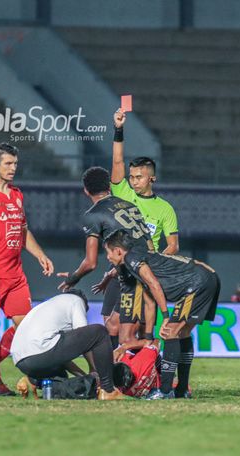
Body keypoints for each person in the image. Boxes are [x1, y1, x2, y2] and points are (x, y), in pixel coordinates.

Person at [0, 142, 54, 396]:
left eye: (15, 163)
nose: (12, 168)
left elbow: (23, 230)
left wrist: (40, 254)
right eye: (7, 163)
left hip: (15, 275)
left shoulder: (17, 195)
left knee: (26, 327)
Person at [92, 109, 180, 347]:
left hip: (142, 271)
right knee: (110, 323)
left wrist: (152, 261)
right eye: (131, 177)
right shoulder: (124, 193)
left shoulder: (165, 209)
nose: (133, 181)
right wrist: (118, 129)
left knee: (139, 330)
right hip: (120, 271)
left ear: (152, 178)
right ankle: (113, 377)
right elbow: (117, 161)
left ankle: (143, 374)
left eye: (139, 177)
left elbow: (173, 246)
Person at [104, 229, 220, 400]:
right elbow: (150, 301)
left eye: (108, 252)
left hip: (197, 283)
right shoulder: (138, 256)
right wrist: (149, 336)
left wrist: (166, 316)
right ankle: (181, 389)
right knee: (183, 333)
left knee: (170, 332)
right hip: (206, 277)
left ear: (118, 251)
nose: (107, 257)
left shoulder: (131, 258)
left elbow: (154, 285)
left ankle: (165, 391)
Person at [57, 166, 155, 347]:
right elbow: (148, 245)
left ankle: (158, 368)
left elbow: (90, 262)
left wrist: (73, 278)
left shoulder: (93, 215)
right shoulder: (130, 205)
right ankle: (134, 372)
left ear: (86, 191)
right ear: (109, 186)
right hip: (143, 270)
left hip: (135, 277)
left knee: (122, 333)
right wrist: (112, 274)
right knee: (117, 328)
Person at [11, 290, 123, 400]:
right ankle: (108, 390)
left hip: (21, 360)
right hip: (40, 351)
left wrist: (83, 376)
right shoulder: (76, 300)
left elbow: (62, 357)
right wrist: (94, 370)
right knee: (100, 332)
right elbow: (86, 338)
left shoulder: (51, 306)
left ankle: (33, 382)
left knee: (61, 374)